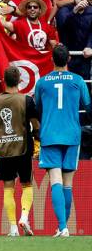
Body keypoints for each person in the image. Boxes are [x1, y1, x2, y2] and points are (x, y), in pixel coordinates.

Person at [34, 44, 92, 238]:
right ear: (68, 59)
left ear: (52, 59)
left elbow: (38, 109)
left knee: (55, 181)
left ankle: (62, 227)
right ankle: (63, 227)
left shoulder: (42, 82)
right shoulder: (78, 80)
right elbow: (89, 107)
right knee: (67, 183)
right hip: (72, 135)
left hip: (50, 135)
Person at [0, 66, 39, 237]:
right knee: (26, 185)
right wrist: (38, 137)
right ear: (19, 80)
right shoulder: (27, 100)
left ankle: (12, 228)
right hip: (23, 147)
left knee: (8, 187)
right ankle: (24, 216)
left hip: (4, 148)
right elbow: (36, 125)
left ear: (4, 80)